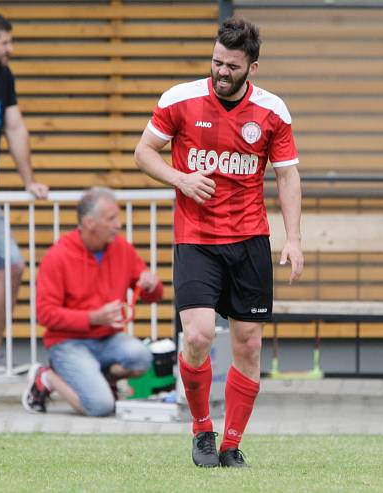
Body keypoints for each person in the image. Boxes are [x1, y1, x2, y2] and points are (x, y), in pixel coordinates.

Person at [133, 17, 303, 468]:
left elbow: (287, 174)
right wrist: (181, 179)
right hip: (197, 239)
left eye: (231, 65)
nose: (221, 72)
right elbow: (143, 152)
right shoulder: (180, 99)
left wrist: (294, 239)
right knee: (200, 336)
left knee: (248, 345)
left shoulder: (273, 112)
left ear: (253, 67)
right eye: (216, 62)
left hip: (250, 240)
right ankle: (202, 429)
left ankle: (231, 444)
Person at [22, 187, 163, 416]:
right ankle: (46, 377)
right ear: (89, 223)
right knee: (100, 407)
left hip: (108, 338)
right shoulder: (57, 257)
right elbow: (45, 314)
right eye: (112, 219)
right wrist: (93, 317)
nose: (118, 224)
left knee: (141, 357)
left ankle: (100, 378)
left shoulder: (121, 248)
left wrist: (152, 284)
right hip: (67, 343)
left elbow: (154, 295)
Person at [0, 14, 48, 374]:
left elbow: (15, 127)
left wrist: (29, 181)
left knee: (10, 265)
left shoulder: (3, 77)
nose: (10, 49)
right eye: (5, 43)